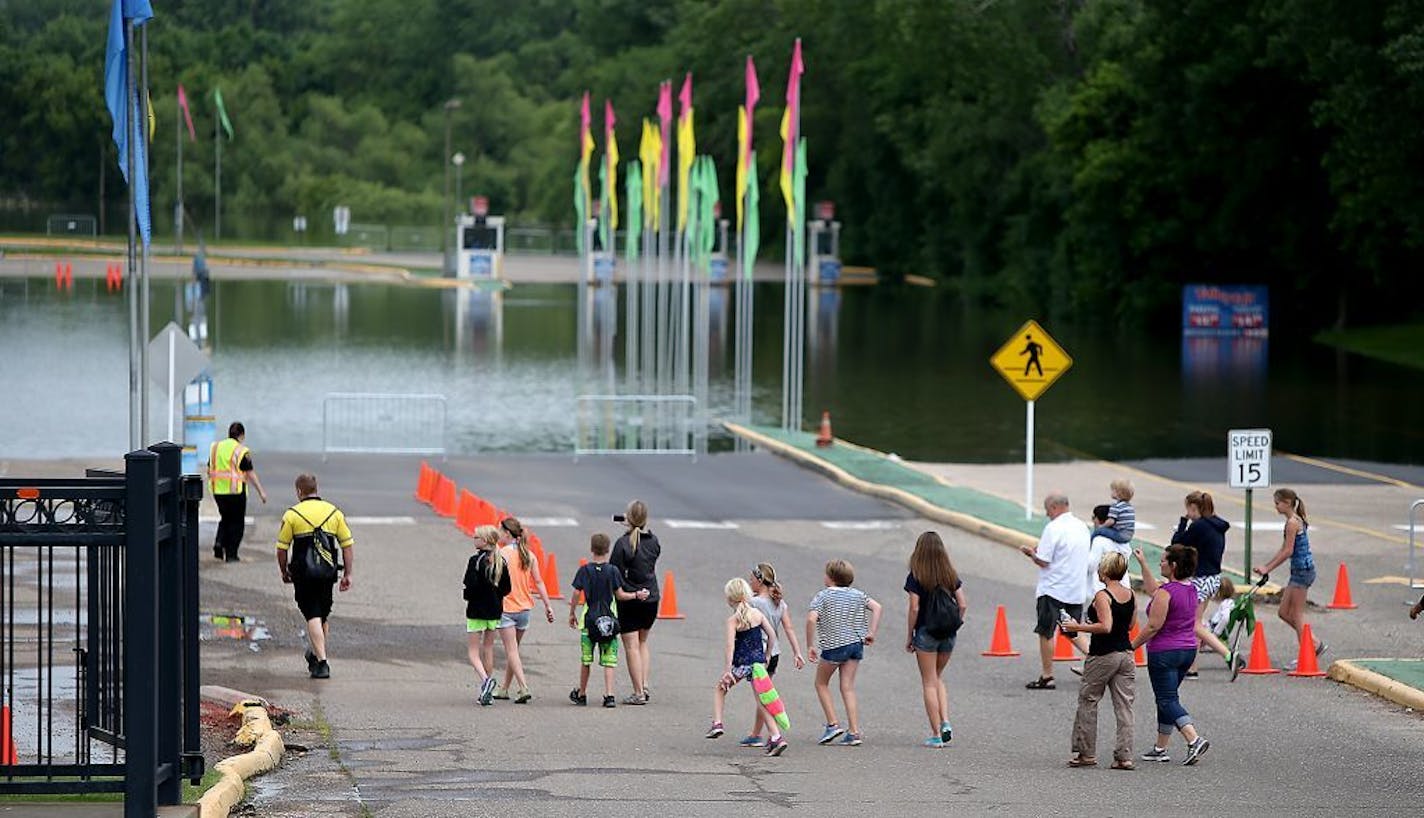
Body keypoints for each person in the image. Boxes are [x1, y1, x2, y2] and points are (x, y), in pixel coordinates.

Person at [1131, 545, 1210, 765]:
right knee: (1168, 698)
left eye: (1164, 560)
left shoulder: (1167, 593)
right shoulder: (1190, 589)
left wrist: (1132, 646)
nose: (1161, 563)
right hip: (1186, 651)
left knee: (1166, 699)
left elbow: (1153, 626)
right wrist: (1143, 564)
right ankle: (1160, 747)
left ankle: (1193, 739)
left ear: (1173, 565)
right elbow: (1153, 590)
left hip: (1164, 652)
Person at [1062, 552, 1137, 770]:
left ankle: (1086, 752)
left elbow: (1106, 626)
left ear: (1104, 571)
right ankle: (1124, 755)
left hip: (1103, 653)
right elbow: (1131, 624)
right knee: (1124, 706)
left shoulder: (1103, 596)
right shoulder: (1130, 594)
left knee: (1089, 699)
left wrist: (1076, 627)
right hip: (1125, 653)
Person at [275, 473, 353, 680]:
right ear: (316, 489)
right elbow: (347, 545)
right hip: (327, 573)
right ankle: (316, 654)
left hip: (303, 574)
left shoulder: (292, 515)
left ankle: (323, 663)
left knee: (313, 615)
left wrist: (284, 571)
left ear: (299, 491)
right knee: (322, 615)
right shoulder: (334, 512)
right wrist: (348, 574)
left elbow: (282, 549)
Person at [706, 578, 790, 757]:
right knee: (763, 701)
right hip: (758, 664)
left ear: (730, 599)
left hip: (741, 664)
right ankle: (776, 736)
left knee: (720, 689)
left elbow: (730, 646)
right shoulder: (757, 614)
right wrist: (767, 654)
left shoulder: (733, 620)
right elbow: (772, 635)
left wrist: (728, 671)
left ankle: (718, 723)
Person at [806, 559, 883, 747]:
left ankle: (832, 724)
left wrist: (810, 644)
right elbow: (877, 607)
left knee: (821, 683)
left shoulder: (823, 596)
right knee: (847, 687)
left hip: (834, 646)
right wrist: (871, 632)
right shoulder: (857, 594)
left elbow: (811, 619)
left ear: (830, 578)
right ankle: (854, 731)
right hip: (856, 644)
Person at [1019, 492, 1090, 690]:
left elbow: (1044, 560)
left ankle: (1047, 675)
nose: (1047, 514)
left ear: (1055, 507)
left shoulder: (1053, 528)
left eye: (1047, 509)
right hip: (1075, 588)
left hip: (1053, 588)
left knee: (1046, 631)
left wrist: (1031, 554)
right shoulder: (1082, 526)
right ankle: (1098, 660)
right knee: (1072, 630)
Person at [569, 533, 648, 708]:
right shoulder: (613, 571)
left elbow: (576, 593)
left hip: (588, 622)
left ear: (591, 549)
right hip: (608, 623)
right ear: (607, 550)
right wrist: (636, 595)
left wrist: (572, 612)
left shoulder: (584, 570)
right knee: (609, 661)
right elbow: (620, 595)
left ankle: (582, 693)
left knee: (586, 660)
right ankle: (609, 695)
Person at [904, 532, 967, 748]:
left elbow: (914, 607)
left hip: (926, 632)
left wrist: (910, 634)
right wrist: (956, 622)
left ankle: (935, 734)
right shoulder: (950, 574)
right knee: (938, 677)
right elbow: (963, 604)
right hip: (948, 633)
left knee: (928, 681)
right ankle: (946, 721)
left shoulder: (917, 575)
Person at [1170, 491, 1236, 676]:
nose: (1188, 514)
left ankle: (1228, 655)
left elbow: (1176, 544)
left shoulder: (1199, 526)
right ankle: (1192, 667)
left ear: (1194, 508)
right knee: (1195, 622)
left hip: (1200, 579)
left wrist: (1183, 523)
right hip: (1213, 578)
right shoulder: (1217, 525)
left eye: (1189, 510)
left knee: (1194, 624)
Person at [740, 563, 805, 748]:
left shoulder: (754, 603)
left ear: (760, 581)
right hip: (774, 653)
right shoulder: (779, 602)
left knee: (762, 697)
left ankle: (774, 735)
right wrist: (797, 652)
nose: (749, 582)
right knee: (765, 694)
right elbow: (789, 628)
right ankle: (755, 733)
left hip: (758, 654)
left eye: (751, 579)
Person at [1256, 488, 1326, 661]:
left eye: (1277, 503)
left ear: (1287, 503)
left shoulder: (1293, 523)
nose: (1275, 507)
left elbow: (1287, 551)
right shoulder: (1293, 521)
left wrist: (1268, 568)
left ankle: (1307, 653)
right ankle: (1314, 643)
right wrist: (1266, 566)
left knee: (1296, 614)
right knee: (1283, 613)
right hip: (1297, 571)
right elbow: (1284, 548)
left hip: (1303, 572)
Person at [492, 517, 555, 704]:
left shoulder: (501, 553)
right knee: (514, 651)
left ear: (507, 533)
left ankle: (523, 687)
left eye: (499, 531)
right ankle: (504, 688)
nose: (498, 534)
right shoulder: (529, 555)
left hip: (507, 608)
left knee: (511, 651)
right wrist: (547, 605)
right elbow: (539, 582)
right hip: (525, 609)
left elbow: (493, 581)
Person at [610, 500, 661, 705]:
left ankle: (638, 692)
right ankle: (644, 684)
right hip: (651, 597)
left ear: (628, 518)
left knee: (630, 646)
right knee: (642, 642)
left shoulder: (623, 543)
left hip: (630, 599)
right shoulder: (654, 541)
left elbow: (615, 571)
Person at [464, 525, 512, 706]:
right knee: (488, 648)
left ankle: (485, 681)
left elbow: (470, 584)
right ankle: (487, 691)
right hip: (494, 611)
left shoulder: (475, 561)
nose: (473, 539)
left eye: (476, 537)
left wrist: (469, 595)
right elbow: (507, 588)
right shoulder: (501, 561)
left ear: (484, 542)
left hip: (477, 611)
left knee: (473, 652)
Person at [209, 421, 267, 562]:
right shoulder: (241, 450)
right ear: (242, 435)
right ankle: (231, 554)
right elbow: (250, 473)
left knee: (225, 518)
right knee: (236, 523)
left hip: (218, 491)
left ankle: (219, 542)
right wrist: (261, 492)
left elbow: (210, 467)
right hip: (235, 492)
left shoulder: (216, 447)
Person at [1093, 479, 1136, 545]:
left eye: (1113, 490)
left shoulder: (1116, 506)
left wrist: (1101, 526)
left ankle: (1089, 545)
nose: (1111, 492)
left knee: (1099, 531)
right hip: (1129, 535)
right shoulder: (1129, 507)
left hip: (1120, 534)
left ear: (1118, 493)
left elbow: (1111, 521)